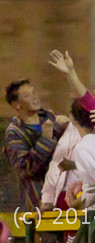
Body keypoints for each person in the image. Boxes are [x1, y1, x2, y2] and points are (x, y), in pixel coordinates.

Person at [3, 80, 67, 210]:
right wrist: (45, 140)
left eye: (34, 92)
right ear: (17, 105)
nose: (34, 96)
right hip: (40, 203)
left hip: (67, 197)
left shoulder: (51, 117)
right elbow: (25, 169)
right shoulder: (14, 133)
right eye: (27, 95)